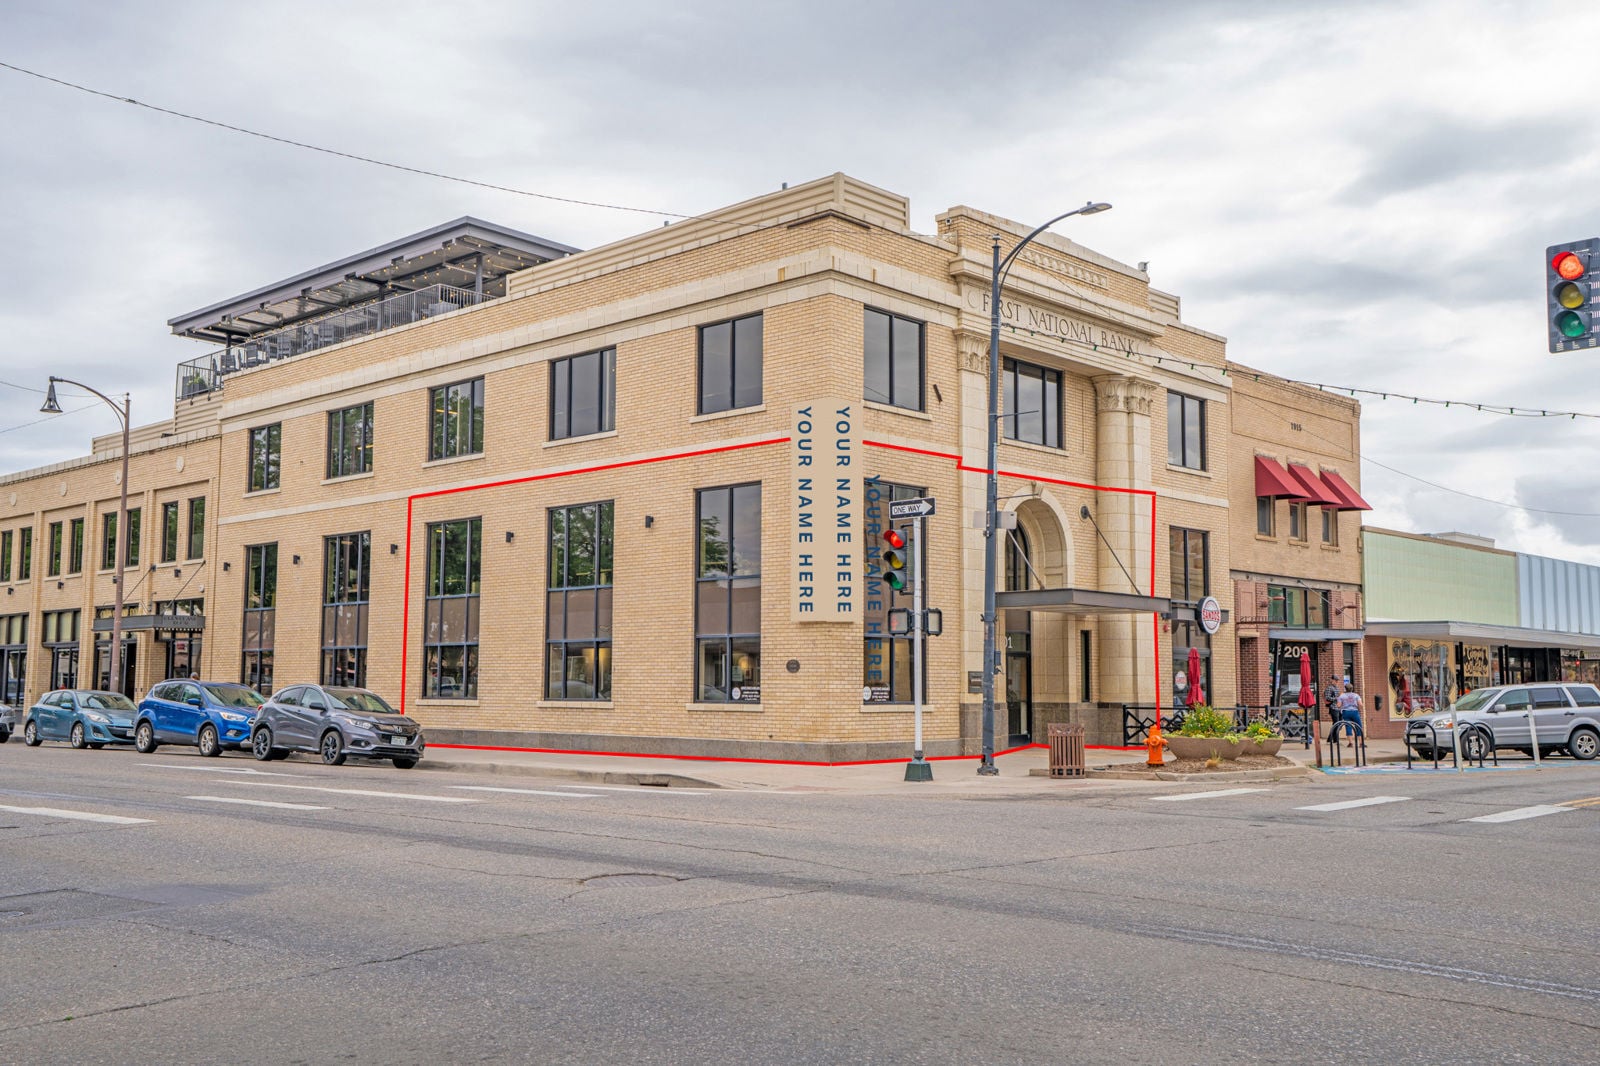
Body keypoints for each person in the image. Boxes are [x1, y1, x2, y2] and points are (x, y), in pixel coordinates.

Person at [1335, 682, 1365, 746]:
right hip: (1355, 712)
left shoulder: (1342, 696)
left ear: (1345, 689)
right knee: (1358, 726)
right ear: (1352, 688)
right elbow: (1360, 704)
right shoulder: (1356, 695)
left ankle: (1350, 743)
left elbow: (1338, 705)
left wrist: (1338, 700)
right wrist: (1359, 709)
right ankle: (1361, 743)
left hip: (1346, 712)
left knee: (1348, 726)